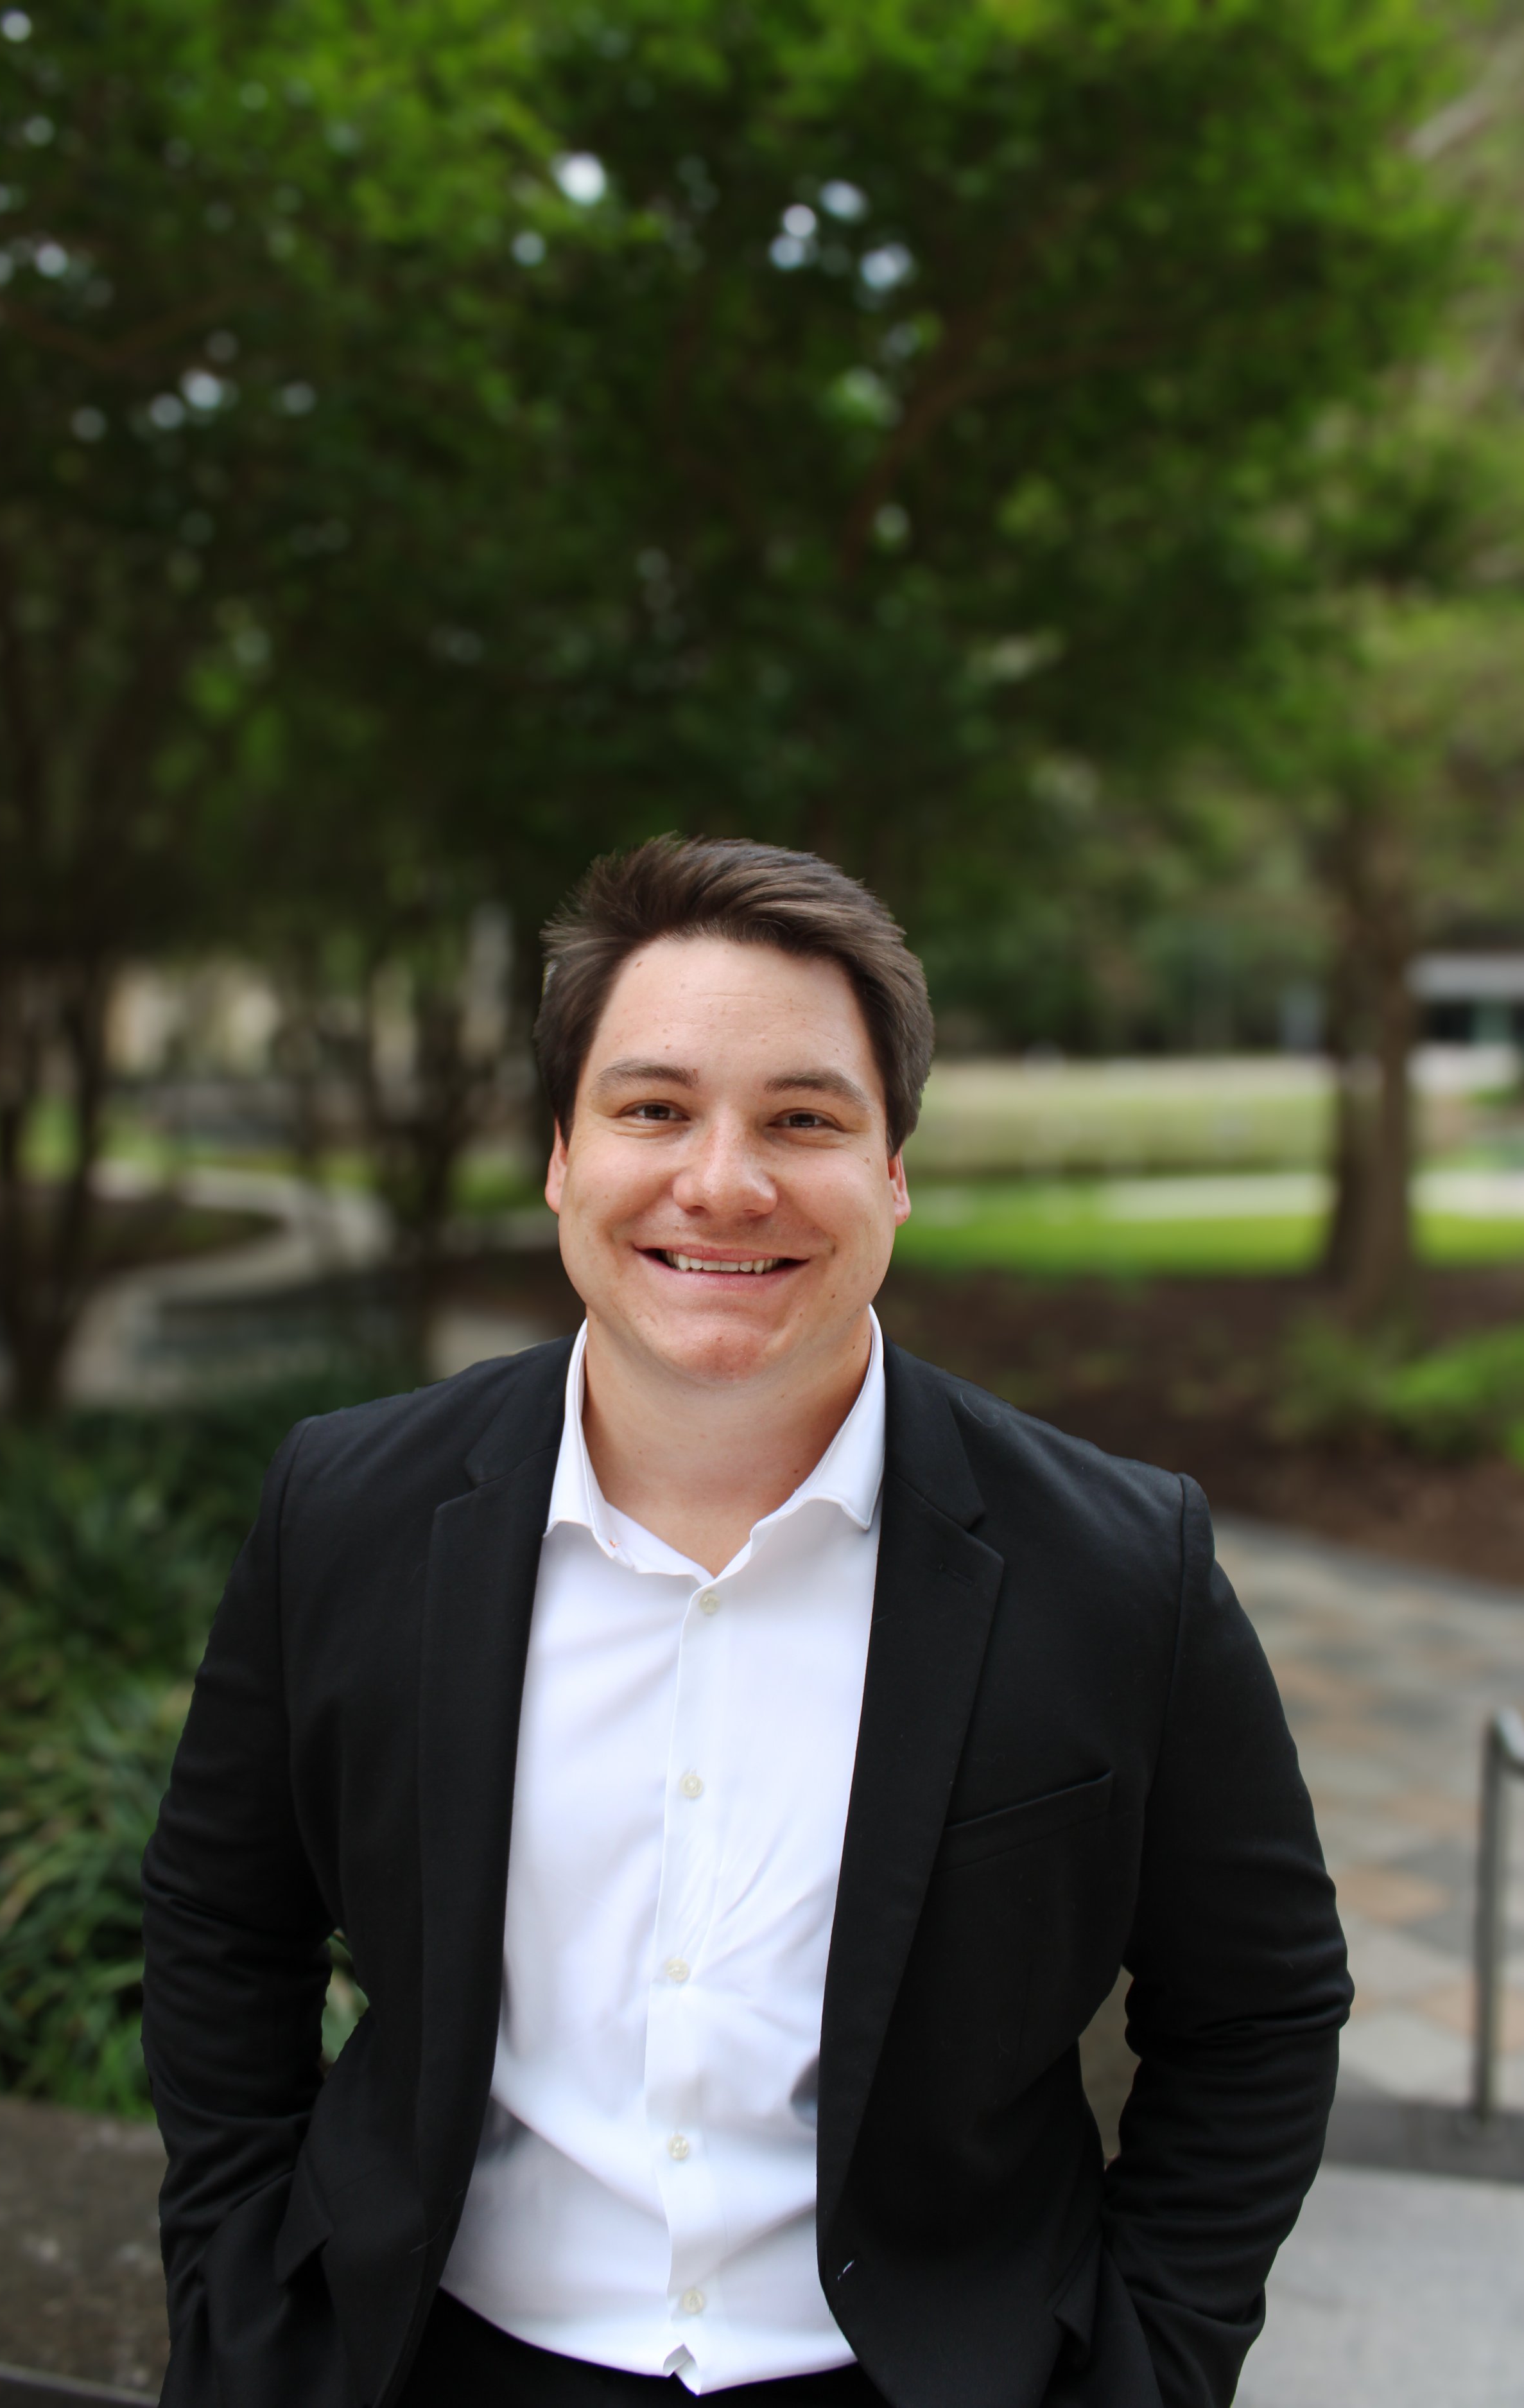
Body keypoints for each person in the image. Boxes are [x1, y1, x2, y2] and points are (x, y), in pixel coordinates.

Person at [141, 837, 1350, 2408]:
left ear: (894, 1174)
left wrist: (1149, 2368)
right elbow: (223, 1923)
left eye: (803, 1119)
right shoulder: (348, 1506)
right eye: (653, 1110)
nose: (723, 1180)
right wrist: (238, 2307)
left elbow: (1257, 2006)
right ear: (562, 1158)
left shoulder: (1119, 1565)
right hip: (427, 2357)